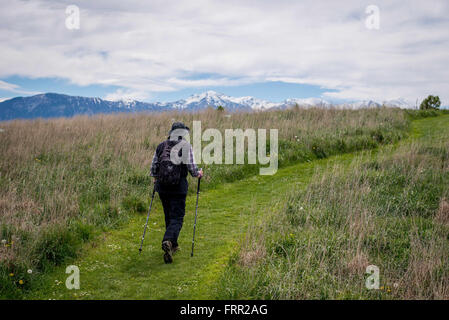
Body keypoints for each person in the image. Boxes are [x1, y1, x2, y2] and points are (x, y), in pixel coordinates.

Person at [150, 122, 203, 263]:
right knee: (177, 217)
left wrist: (155, 179)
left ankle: (173, 245)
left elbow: (154, 166)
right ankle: (168, 241)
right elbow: (191, 168)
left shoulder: (161, 145)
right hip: (178, 187)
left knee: (168, 215)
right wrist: (198, 173)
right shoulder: (185, 146)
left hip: (162, 186)